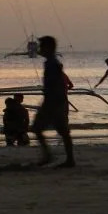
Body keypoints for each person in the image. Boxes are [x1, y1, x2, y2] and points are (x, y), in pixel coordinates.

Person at [32, 35, 74, 167]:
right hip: (55, 101)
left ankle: (53, 157)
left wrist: (53, 102)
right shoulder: (51, 62)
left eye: (41, 46)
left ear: (48, 48)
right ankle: (65, 159)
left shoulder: (52, 64)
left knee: (39, 128)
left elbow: (57, 84)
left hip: (54, 102)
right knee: (62, 131)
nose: (39, 49)